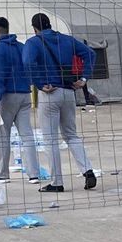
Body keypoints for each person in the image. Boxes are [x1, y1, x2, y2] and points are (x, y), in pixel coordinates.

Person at [23, 13, 98, 193]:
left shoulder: (33, 42)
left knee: (50, 139)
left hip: (49, 92)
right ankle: (87, 170)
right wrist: (84, 77)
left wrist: (39, 82)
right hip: (69, 90)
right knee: (71, 134)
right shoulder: (66, 39)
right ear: (50, 24)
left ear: (34, 28)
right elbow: (90, 53)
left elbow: (27, 62)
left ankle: (57, 182)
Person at [0, 16, 40, 183]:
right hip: (25, 94)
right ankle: (33, 174)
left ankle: (2, 173)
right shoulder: (22, 47)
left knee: (4, 134)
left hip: (7, 97)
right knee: (27, 134)